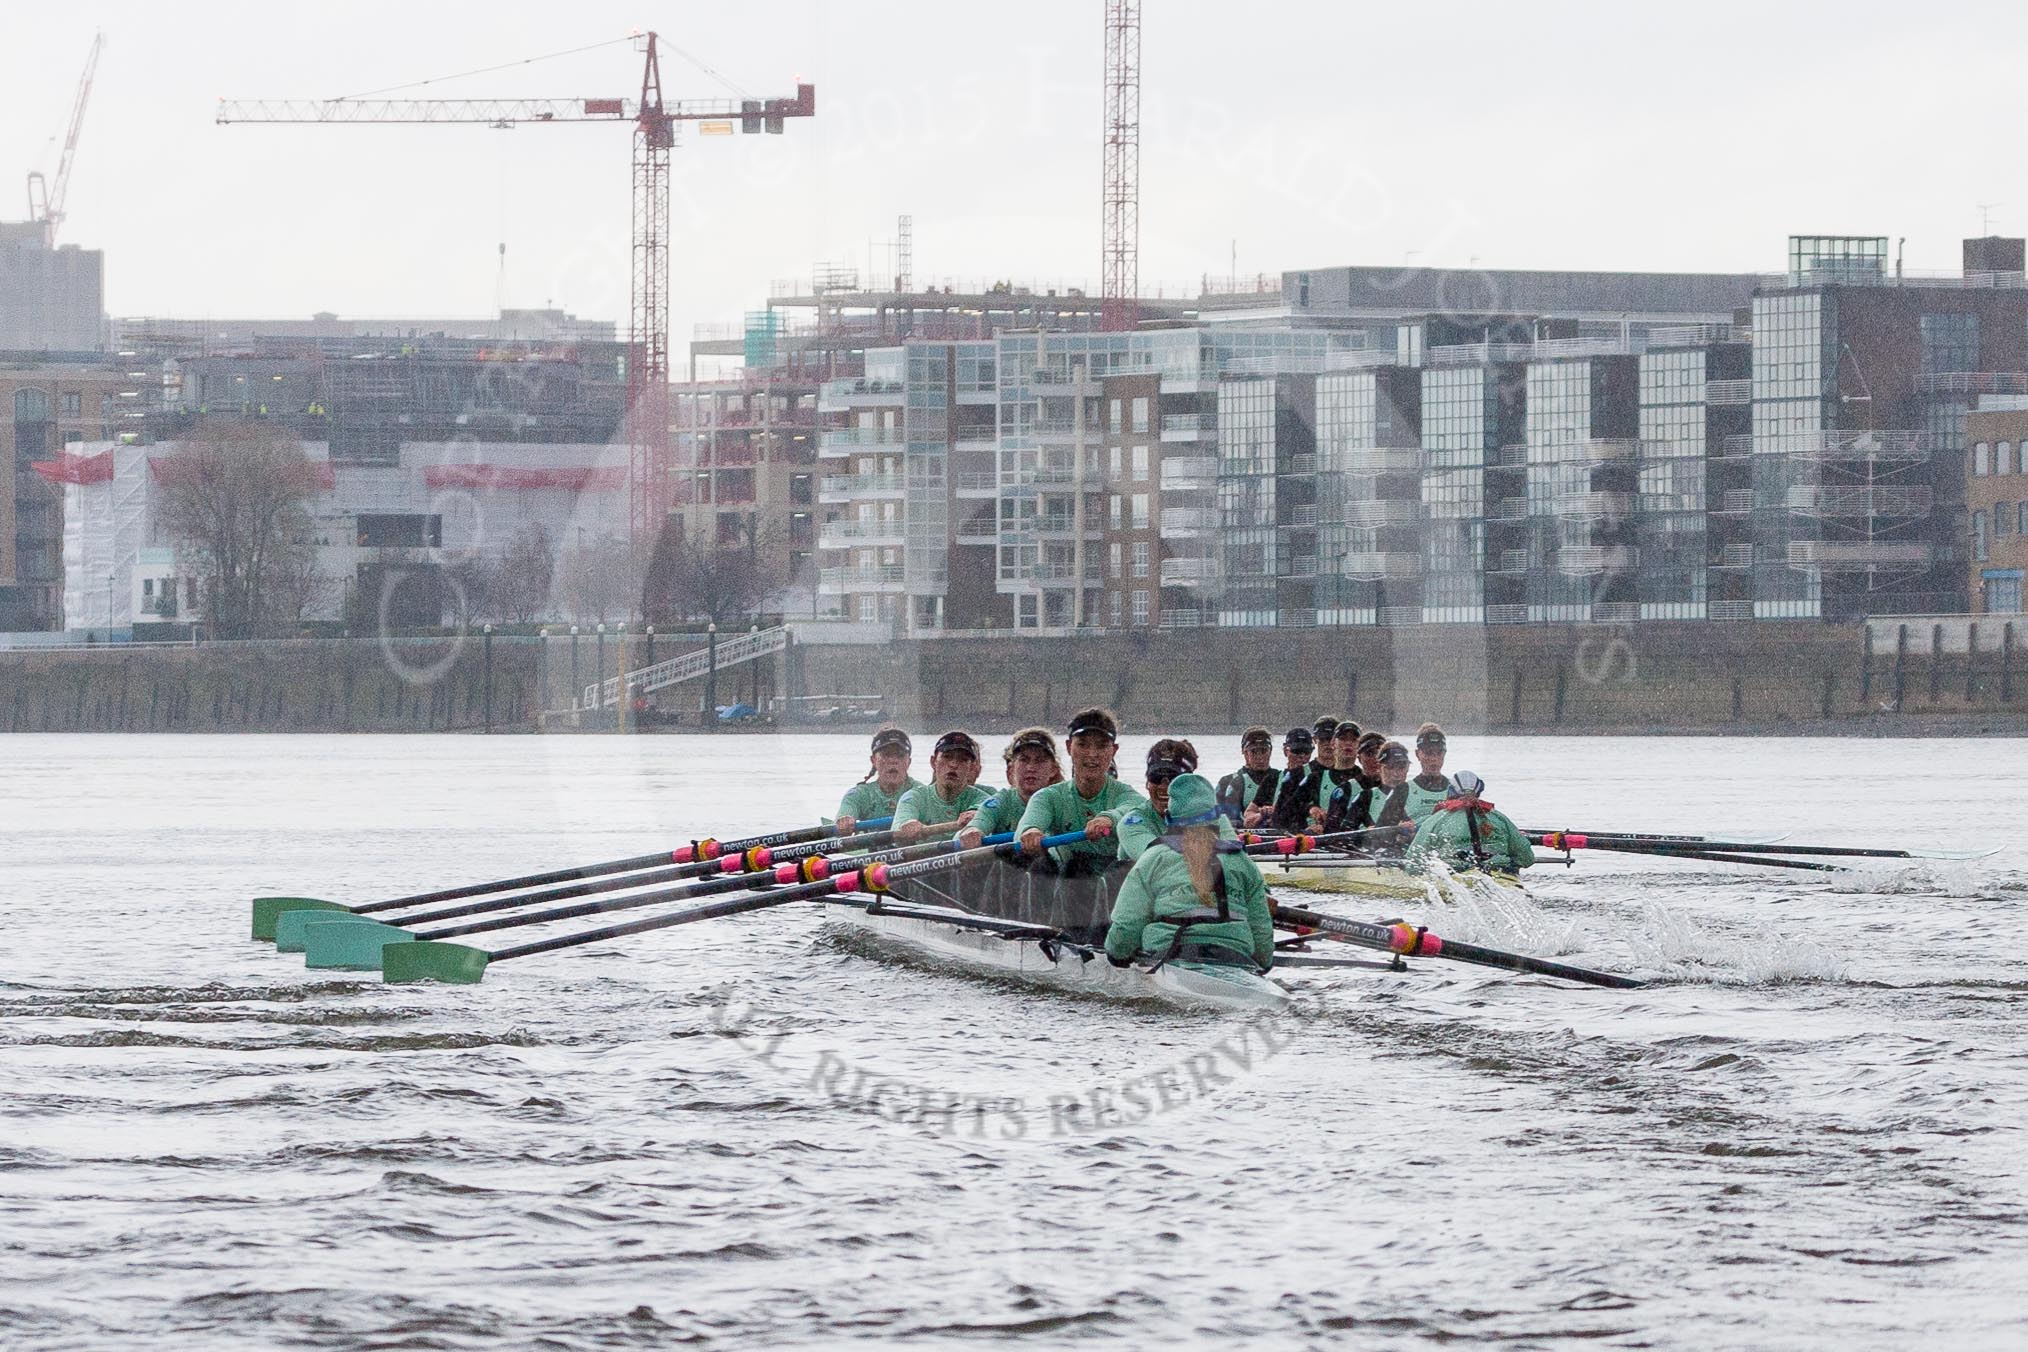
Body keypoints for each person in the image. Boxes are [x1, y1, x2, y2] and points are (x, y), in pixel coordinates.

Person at [1103, 773, 1275, 973]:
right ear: (1216, 816)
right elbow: (1262, 932)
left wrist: (1117, 955)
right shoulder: (1242, 860)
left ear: (1169, 818)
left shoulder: (1154, 858)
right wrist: (1264, 963)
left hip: (1170, 956)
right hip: (1235, 957)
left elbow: (1128, 926)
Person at [1016, 707, 1148, 868]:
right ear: (1069, 747)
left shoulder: (1127, 795)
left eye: (1101, 746)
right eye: (1083, 745)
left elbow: (1134, 809)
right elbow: (1028, 824)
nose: (1092, 754)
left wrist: (1108, 819)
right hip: (1068, 882)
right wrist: (1030, 832)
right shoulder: (1048, 797)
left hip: (1116, 881)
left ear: (1113, 751)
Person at [1409, 771, 1535, 876]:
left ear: (1451, 791)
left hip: (1455, 878)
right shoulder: (1499, 818)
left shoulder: (1436, 820)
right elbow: (1527, 858)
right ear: (1479, 791)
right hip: (1500, 875)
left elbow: (1413, 862)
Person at [1112, 738, 1217, 861]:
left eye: (1173, 778)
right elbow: (1158, 861)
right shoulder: (1131, 823)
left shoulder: (1211, 814)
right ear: (1147, 781)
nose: (1164, 787)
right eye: (1156, 777)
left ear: (1189, 783)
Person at [892, 730, 991, 846]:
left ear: (972, 767)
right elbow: (900, 826)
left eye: (963, 760)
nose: (953, 765)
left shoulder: (984, 799)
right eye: (947, 757)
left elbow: (983, 810)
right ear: (933, 762)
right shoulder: (914, 797)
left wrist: (976, 818)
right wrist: (907, 824)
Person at [972, 726, 1063, 839]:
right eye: (1024, 760)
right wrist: (973, 831)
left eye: (1039, 761)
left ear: (1053, 770)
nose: (1031, 768)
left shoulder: (1063, 801)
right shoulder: (1001, 801)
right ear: (1011, 769)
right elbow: (980, 821)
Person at [835, 726, 922, 835]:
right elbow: (845, 813)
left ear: (908, 762)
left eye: (900, 755)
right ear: (873, 760)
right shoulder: (858, 795)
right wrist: (844, 821)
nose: (893, 761)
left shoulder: (921, 793)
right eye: (886, 755)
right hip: (871, 848)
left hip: (910, 849)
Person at [1215, 727, 1279, 828]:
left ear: (1270, 751)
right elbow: (1227, 820)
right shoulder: (1227, 782)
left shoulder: (1281, 777)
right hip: (1246, 834)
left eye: (1263, 750)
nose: (1259, 756)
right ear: (1244, 752)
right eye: (1254, 751)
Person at [1270, 726, 1325, 832]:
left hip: (1313, 831)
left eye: (1306, 751)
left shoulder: (1317, 777)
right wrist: (1262, 813)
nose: (1302, 756)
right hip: (1284, 831)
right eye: (1296, 751)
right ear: (1285, 751)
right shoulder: (1272, 779)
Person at [1402, 722, 1457, 824]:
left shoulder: (1456, 789)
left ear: (1445, 754)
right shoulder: (1403, 790)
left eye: (1439, 753)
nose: (1434, 759)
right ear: (1417, 754)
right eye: (1428, 753)